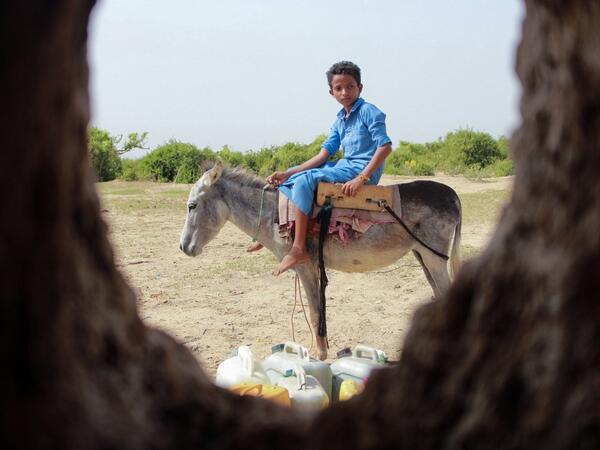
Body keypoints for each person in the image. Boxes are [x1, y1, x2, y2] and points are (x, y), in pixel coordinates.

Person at [267, 61, 392, 275]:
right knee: (291, 177)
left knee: (305, 180)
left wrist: (361, 179)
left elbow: (385, 147)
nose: (345, 92)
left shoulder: (369, 112)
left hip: (360, 170)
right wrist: (288, 173)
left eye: (350, 87)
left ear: (360, 88)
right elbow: (324, 155)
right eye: (339, 88)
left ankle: (298, 248)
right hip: (345, 166)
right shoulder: (339, 120)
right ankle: (278, 230)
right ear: (331, 92)